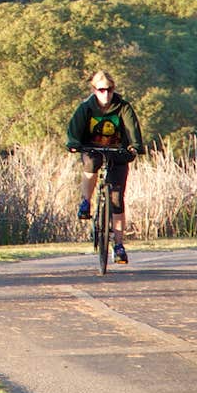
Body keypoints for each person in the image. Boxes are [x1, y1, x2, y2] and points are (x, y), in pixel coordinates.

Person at [66, 71, 144, 264]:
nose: (106, 94)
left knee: (116, 199)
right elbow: (74, 129)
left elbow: (132, 129)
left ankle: (118, 245)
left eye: (109, 90)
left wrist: (135, 145)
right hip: (92, 149)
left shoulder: (123, 107)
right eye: (101, 90)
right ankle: (86, 201)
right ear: (94, 90)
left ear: (113, 89)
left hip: (117, 152)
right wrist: (74, 143)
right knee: (91, 163)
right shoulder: (86, 107)